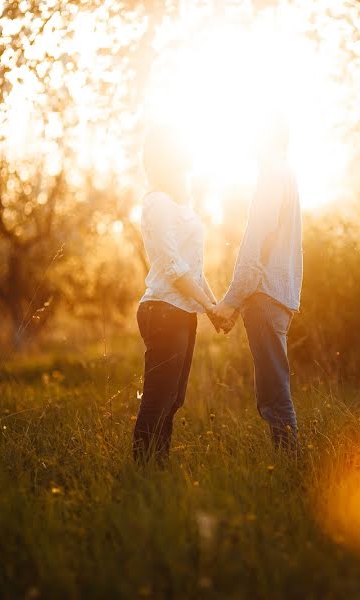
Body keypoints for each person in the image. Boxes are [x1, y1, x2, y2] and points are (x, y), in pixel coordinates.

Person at [133, 124, 223, 463]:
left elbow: (193, 269)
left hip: (183, 312)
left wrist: (213, 306)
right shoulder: (157, 203)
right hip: (163, 311)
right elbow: (173, 267)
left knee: (174, 399)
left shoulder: (181, 204)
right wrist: (210, 308)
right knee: (158, 400)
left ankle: (159, 465)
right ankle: (143, 470)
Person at [214, 116, 303, 452]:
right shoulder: (287, 174)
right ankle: (287, 466)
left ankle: (288, 469)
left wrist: (230, 302)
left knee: (273, 395)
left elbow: (257, 245)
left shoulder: (271, 175)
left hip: (265, 296)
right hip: (280, 296)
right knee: (273, 390)